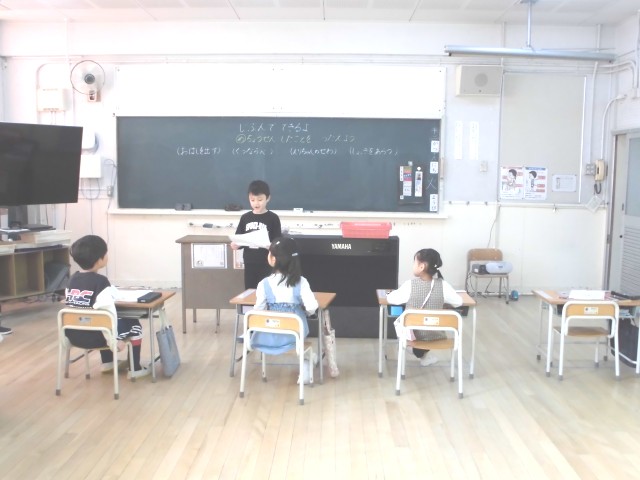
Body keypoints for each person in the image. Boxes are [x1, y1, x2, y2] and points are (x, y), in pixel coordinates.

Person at [64, 235, 149, 379]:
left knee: (95, 319)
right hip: (96, 337)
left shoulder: (72, 279)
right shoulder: (101, 282)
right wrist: (113, 342)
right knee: (134, 326)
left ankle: (108, 363)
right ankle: (135, 369)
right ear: (100, 260)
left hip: (73, 335)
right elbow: (108, 313)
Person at [387, 248, 462, 367]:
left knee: (404, 327)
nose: (413, 265)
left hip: (412, 337)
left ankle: (415, 351)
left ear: (421, 266)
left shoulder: (410, 285)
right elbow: (459, 302)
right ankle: (423, 355)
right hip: (436, 336)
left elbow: (391, 299)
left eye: (414, 262)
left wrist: (389, 293)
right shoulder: (443, 285)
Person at [251, 236, 318, 355]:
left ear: (272, 259)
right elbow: (311, 308)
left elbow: (258, 310)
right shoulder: (301, 282)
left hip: (268, 336)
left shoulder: (263, 284)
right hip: (294, 336)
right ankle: (307, 361)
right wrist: (306, 312)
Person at [231, 180, 282, 289]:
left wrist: (272, 246)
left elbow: (278, 241)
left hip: (267, 262)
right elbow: (239, 238)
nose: (256, 203)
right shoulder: (245, 218)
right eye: (252, 200)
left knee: (266, 290)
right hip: (249, 261)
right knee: (250, 290)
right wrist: (235, 245)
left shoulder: (273, 218)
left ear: (268, 198)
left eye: (260, 200)